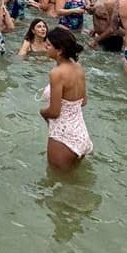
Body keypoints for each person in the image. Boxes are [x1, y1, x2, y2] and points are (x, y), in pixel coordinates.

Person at [40, 27, 91, 169]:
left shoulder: (56, 73)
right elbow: (84, 101)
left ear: (60, 50)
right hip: (81, 135)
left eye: (49, 45)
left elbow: (54, 112)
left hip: (63, 138)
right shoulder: (78, 67)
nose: (45, 47)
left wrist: (42, 112)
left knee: (56, 183)